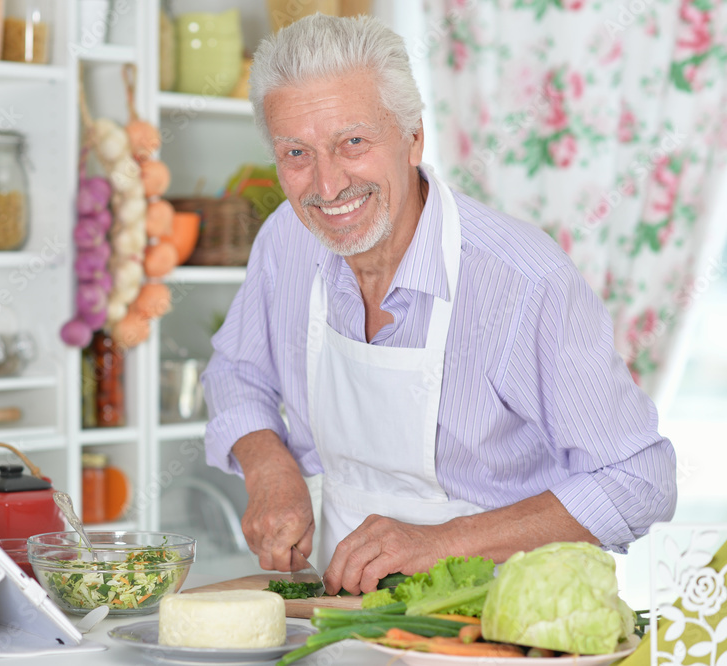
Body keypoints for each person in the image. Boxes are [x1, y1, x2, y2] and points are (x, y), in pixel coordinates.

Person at [201, 13, 677, 597]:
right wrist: (267, 463)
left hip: (498, 623)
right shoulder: (286, 240)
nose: (326, 187)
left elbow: (640, 478)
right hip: (339, 619)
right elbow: (236, 371)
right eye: (297, 153)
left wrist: (441, 542)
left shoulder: (524, 282)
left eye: (353, 142)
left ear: (414, 136)